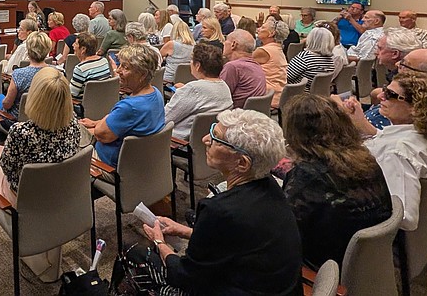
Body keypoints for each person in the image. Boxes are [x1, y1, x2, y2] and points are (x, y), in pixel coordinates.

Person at [141, 109, 301, 296]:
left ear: (242, 163)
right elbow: (236, 241)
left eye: (216, 138)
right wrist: (185, 231)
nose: (205, 140)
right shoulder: (270, 186)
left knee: (138, 255)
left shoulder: (219, 210)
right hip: (275, 286)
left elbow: (185, 276)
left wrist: (159, 242)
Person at [0, 68, 80, 260]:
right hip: (59, 192)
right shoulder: (74, 124)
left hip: (24, 198)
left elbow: (7, 168)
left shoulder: (21, 132)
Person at [280, 94, 393, 268]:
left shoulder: (308, 176)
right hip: (372, 261)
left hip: (327, 267)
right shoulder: (366, 159)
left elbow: (285, 234)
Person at [337, 70, 427, 231]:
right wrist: (362, 124)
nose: (380, 96)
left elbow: (405, 217)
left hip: (378, 230)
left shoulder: (396, 152)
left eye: (390, 94)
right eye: (385, 90)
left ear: (416, 108)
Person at [81, 44, 165, 171]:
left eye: (125, 67)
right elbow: (123, 122)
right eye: (119, 65)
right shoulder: (156, 94)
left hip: (109, 165)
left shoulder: (129, 107)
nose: (118, 71)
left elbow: (100, 135)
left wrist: (96, 127)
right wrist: (96, 123)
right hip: (141, 163)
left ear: (142, 75)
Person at [165, 42, 232, 140]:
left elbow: (164, 118)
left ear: (197, 65)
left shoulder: (193, 89)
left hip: (178, 140)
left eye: (191, 60)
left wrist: (183, 92)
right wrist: (184, 91)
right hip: (209, 138)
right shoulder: (225, 87)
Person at [2, 32, 52, 118]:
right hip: (46, 118)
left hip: (18, 119)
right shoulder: (56, 73)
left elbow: (7, 104)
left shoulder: (19, 74)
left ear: (28, 50)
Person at [219, 29, 267, 108]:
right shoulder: (256, 65)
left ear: (233, 44)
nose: (223, 43)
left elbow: (220, 96)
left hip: (236, 113)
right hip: (253, 113)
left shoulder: (233, 67)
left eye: (226, 40)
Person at [285, 26, 338, 93]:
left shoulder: (304, 58)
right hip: (319, 96)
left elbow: (286, 76)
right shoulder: (330, 61)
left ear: (310, 40)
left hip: (298, 95)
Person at [69, 32, 113, 100]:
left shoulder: (80, 69)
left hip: (83, 104)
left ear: (83, 49)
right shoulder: (104, 61)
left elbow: (72, 93)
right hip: (104, 101)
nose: (73, 45)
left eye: (76, 43)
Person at [253, 18, 288, 99]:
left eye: (262, 27)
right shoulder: (277, 48)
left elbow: (241, 62)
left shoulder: (263, 51)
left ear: (271, 33)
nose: (258, 29)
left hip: (268, 97)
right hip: (279, 95)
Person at [159, 20, 194, 84]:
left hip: (169, 78)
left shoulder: (171, 44)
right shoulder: (194, 46)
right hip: (188, 79)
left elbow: (158, 57)